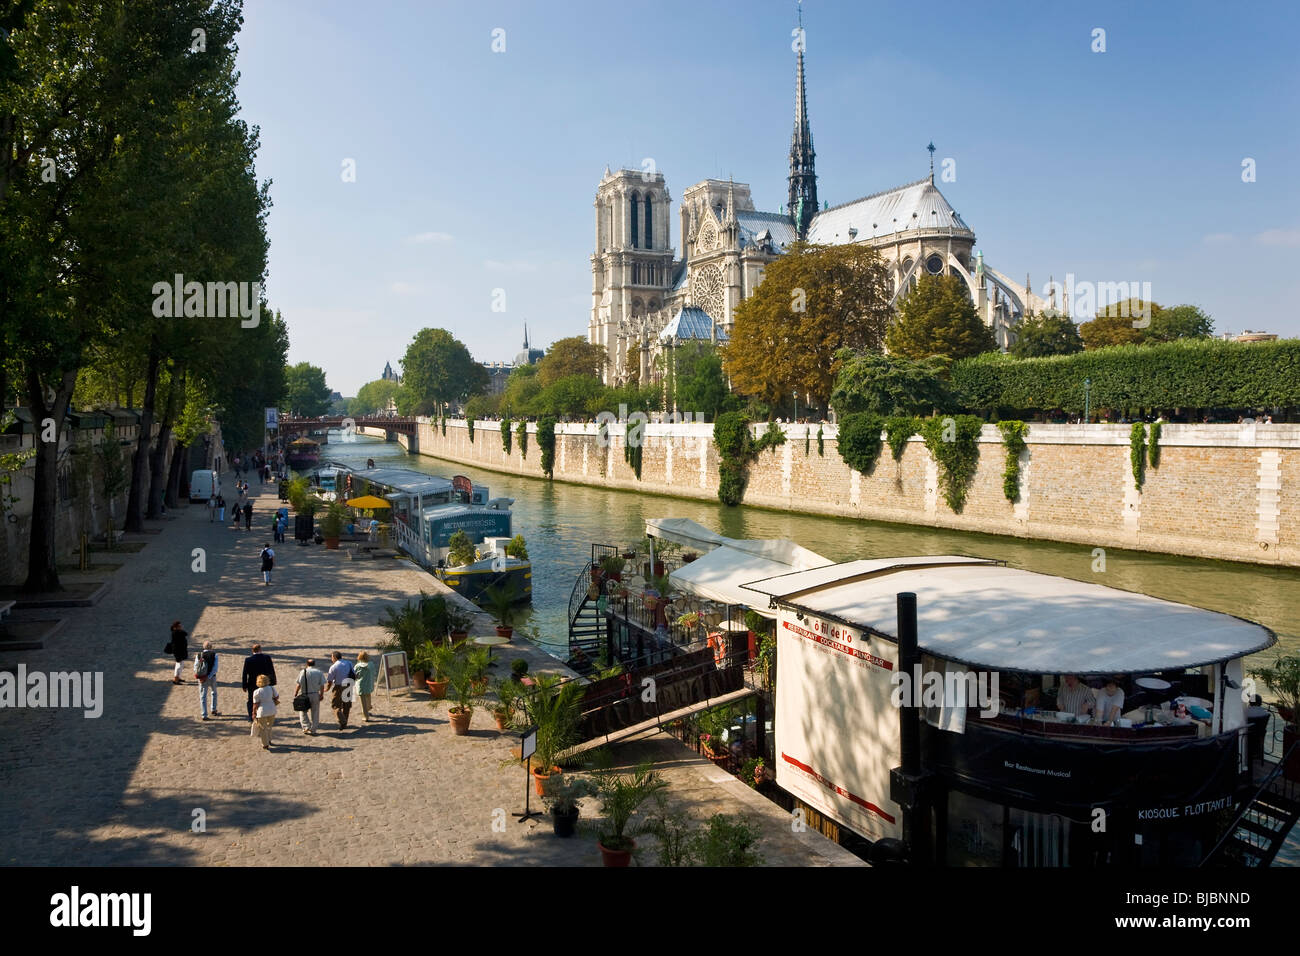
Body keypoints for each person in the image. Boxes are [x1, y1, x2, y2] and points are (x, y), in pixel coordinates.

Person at [241, 643, 277, 721]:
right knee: (266, 699)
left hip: (252, 684)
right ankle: (265, 716)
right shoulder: (267, 658)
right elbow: (271, 671)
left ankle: (251, 716)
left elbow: (245, 674)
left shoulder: (248, 660)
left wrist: (244, 685)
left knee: (251, 700)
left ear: (252, 650)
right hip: (266, 683)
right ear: (260, 649)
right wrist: (272, 682)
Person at [324, 651, 356, 730]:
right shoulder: (349, 663)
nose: (331, 659)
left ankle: (342, 721)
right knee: (347, 705)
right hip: (348, 684)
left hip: (339, 687)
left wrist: (326, 689)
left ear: (334, 657)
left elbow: (330, 681)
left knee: (335, 705)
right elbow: (354, 674)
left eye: (331, 657)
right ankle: (344, 724)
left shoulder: (333, 667)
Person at [295, 658, 327, 735]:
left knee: (303, 711)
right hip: (315, 694)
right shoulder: (319, 672)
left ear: (307, 664)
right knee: (315, 712)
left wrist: (295, 692)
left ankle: (306, 727)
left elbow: (299, 684)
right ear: (314, 664)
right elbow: (322, 685)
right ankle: (313, 729)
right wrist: (321, 694)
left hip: (305, 694)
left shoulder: (303, 672)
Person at [249, 674, 278, 750]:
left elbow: (255, 704)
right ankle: (269, 739)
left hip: (262, 711)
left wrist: (253, 713)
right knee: (269, 726)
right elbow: (277, 696)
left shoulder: (257, 691)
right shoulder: (272, 688)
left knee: (263, 728)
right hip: (272, 709)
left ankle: (265, 744)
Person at [197, 640, 220, 719]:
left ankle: (204, 714)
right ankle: (213, 709)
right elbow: (215, 668)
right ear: (211, 647)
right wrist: (209, 676)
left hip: (202, 678)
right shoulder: (215, 655)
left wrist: (201, 677)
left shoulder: (199, 655)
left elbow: (196, 667)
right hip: (212, 677)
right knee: (214, 692)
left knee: (203, 696)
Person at [354, 651, 378, 721]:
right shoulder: (371, 664)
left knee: (363, 701)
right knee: (368, 695)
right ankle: (369, 706)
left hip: (361, 684)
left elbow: (355, 675)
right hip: (369, 683)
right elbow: (374, 672)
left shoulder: (357, 666)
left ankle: (366, 716)